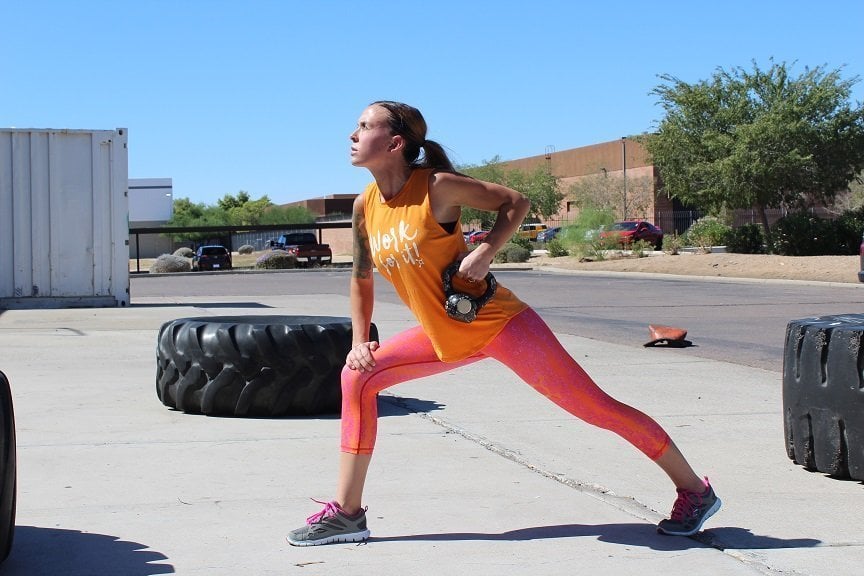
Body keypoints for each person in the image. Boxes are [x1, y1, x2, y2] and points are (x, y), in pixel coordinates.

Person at [287, 101, 721, 546]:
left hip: (500, 324)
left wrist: (487, 248)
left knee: (596, 409)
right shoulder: (366, 205)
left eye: (363, 126)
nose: (352, 134)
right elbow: (361, 277)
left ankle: (694, 491)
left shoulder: (436, 187)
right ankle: (347, 514)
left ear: (395, 143)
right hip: (446, 334)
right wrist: (360, 341)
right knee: (357, 377)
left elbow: (515, 202)